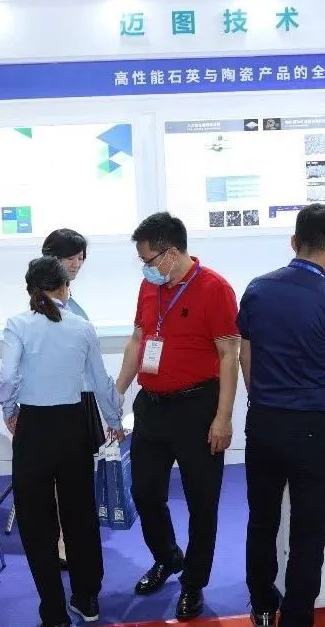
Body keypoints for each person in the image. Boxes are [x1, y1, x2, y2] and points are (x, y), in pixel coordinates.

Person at [237, 204, 325, 627]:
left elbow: (246, 354)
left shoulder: (258, 289)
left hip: (264, 422)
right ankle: (296, 617)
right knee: (308, 533)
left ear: (294, 241)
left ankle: (261, 605)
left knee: (262, 519)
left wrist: (262, 399)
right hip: (313, 428)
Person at [114, 211, 240, 620]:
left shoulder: (215, 288)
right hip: (151, 406)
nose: (146, 269)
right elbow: (138, 339)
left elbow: (229, 355)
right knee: (144, 493)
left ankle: (193, 583)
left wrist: (223, 417)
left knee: (202, 502)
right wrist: (116, 392)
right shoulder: (149, 287)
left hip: (197, 408)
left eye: (149, 260)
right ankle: (168, 557)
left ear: (171, 253)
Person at [0, 256, 125, 627]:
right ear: (65, 288)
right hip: (74, 427)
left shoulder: (18, 324)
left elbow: (8, 378)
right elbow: (100, 381)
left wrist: (9, 411)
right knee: (80, 516)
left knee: (37, 523)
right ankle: (87, 598)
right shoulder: (82, 327)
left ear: (30, 290)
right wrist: (114, 421)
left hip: (34, 428)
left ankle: (53, 611)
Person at [41, 228, 91, 570]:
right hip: (57, 403)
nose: (75, 264)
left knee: (74, 478)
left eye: (80, 258)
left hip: (77, 398)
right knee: (62, 479)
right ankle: (62, 542)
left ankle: (72, 539)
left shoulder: (72, 301)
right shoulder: (44, 305)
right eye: (69, 258)